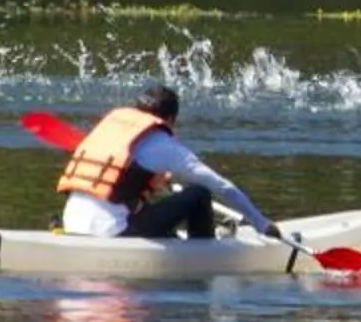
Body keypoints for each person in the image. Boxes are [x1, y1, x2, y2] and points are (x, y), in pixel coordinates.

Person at [56, 84, 277, 242]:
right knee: (198, 195)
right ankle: (204, 258)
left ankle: (173, 241)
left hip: (73, 223)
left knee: (149, 211)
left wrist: (155, 182)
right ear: (170, 119)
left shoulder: (109, 129)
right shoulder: (164, 144)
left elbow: (122, 184)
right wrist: (261, 223)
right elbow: (222, 186)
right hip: (111, 233)